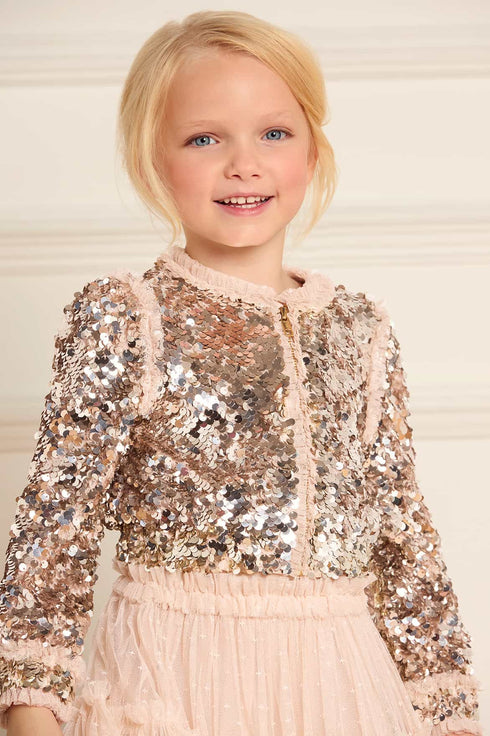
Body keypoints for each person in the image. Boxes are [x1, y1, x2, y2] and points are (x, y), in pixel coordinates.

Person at [0, 10, 483, 736]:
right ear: (152, 161)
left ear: (313, 151)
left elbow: (404, 545)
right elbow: (53, 536)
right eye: (205, 139)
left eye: (274, 133)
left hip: (343, 686)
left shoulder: (361, 329)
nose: (244, 164)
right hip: (175, 675)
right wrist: (31, 717)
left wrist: (450, 718)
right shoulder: (128, 316)